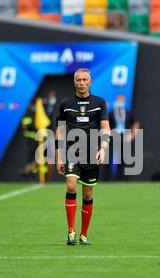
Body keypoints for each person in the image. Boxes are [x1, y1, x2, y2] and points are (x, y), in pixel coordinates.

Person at [55, 68, 111, 246]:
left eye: (84, 79)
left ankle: (83, 234)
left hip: (92, 154)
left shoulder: (99, 103)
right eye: (78, 80)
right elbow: (60, 131)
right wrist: (58, 156)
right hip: (72, 152)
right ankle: (71, 231)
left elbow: (105, 128)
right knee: (71, 186)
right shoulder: (65, 103)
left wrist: (103, 148)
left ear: (90, 82)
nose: (81, 83)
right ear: (74, 82)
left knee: (87, 193)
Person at [107, 94, 140, 180]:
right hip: (114, 137)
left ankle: (122, 179)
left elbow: (136, 123)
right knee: (113, 158)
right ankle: (110, 178)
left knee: (124, 158)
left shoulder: (128, 113)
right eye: (119, 100)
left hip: (125, 137)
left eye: (122, 101)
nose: (120, 102)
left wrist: (132, 135)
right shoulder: (111, 114)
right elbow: (105, 124)